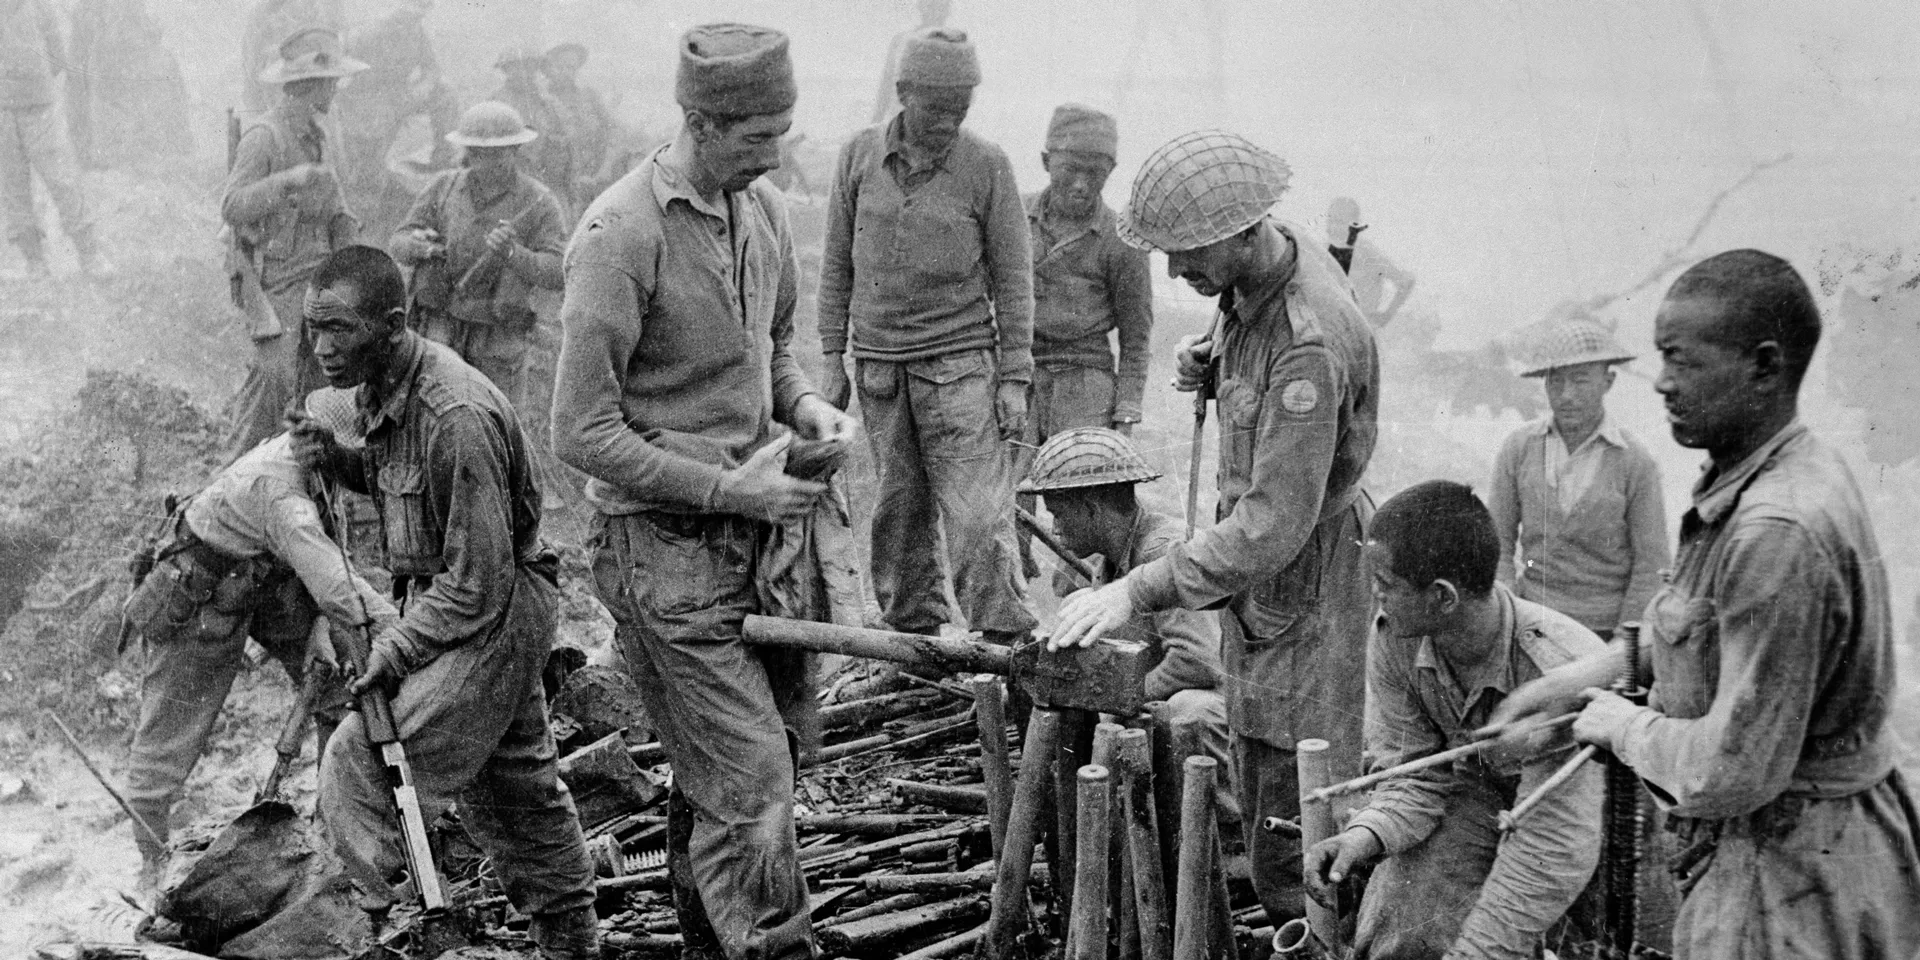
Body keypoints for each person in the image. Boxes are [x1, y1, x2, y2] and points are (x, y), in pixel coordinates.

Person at [1487, 250, 1920, 960]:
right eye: (1662, 358)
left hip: (1789, 870)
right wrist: (1575, 681)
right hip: (1790, 847)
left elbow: (1731, 769)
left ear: (1764, 366)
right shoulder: (1768, 474)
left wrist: (1622, 724)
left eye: (1682, 360)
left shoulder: (1776, 529)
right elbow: (1690, 625)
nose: (1662, 382)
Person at [552, 23, 857, 960]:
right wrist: (729, 489)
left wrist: (806, 408)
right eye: (759, 138)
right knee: (753, 782)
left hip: (753, 546)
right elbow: (581, 433)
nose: (776, 157)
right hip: (661, 556)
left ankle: (707, 943)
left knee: (741, 765)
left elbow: (773, 352)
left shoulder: (760, 210)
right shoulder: (619, 235)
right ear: (700, 122)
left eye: (783, 134)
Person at [1052, 130, 1380, 926]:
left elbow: (1272, 526)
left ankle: (1327, 938)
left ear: (1242, 230)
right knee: (1260, 768)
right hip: (1265, 582)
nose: (1173, 272)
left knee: (1295, 814)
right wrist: (1216, 355)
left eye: (1187, 253)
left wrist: (1138, 589)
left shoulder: (1307, 344)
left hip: (1304, 577)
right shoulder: (1269, 261)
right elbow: (1251, 337)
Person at [291, 246, 598, 960]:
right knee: (514, 788)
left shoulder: (454, 414)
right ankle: (574, 948)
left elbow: (477, 582)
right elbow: (397, 478)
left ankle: (364, 935)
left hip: (493, 610)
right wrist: (336, 458)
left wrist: (395, 648)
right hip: (460, 604)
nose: (323, 347)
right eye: (313, 328)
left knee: (361, 760)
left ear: (393, 324)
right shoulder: (381, 385)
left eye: (339, 329)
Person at [1304, 480, 1603, 959]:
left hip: (1588, 821)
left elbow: (1552, 846)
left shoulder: (1558, 667)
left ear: (1443, 597)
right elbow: (1412, 774)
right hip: (1478, 798)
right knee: (1401, 921)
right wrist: (1363, 837)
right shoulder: (1397, 639)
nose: (1375, 594)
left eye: (1386, 584)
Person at [818, 27, 1037, 648]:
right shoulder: (858, 156)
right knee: (898, 507)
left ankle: (1001, 639)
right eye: (936, 106)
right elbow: (836, 263)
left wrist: (1015, 377)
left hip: (960, 366)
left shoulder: (987, 164)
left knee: (977, 512)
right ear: (903, 91)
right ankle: (913, 637)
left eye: (961, 107)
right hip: (881, 370)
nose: (948, 120)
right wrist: (832, 357)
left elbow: (1014, 278)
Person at [119, 427, 394, 890]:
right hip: (202, 586)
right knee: (168, 734)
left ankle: (333, 824)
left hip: (270, 575)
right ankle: (152, 863)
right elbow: (338, 587)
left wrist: (324, 622)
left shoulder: (317, 470)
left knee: (337, 681)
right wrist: (405, 630)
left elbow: (331, 558)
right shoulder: (282, 493)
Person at [1019, 426, 1237, 829]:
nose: (1054, 527)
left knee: (1188, 712)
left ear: (1092, 508)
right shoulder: (1110, 561)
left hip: (1230, 712)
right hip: (1182, 708)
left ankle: (1227, 837)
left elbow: (1198, 662)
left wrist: (1120, 703)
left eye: (1059, 513)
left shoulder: (1161, 551)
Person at [220, 27, 363, 464]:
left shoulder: (318, 134)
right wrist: (286, 181)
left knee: (325, 384)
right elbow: (232, 206)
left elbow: (336, 206)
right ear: (309, 85)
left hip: (320, 277)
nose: (335, 89)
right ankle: (228, 475)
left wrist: (356, 265)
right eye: (330, 82)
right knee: (273, 382)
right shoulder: (265, 137)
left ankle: (306, 473)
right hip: (277, 283)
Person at [1486, 317, 1667, 641]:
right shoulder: (1519, 448)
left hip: (1604, 631)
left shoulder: (1635, 460)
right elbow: (1497, 543)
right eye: (1555, 382)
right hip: (1532, 623)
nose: (1566, 395)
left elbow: (1651, 564)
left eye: (1580, 381)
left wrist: (1624, 642)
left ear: (1608, 382)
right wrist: (1508, 617)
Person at [388, 101, 565, 401]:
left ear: (515, 150)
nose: (484, 162)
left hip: (498, 338)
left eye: (496, 153)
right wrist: (422, 247)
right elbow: (398, 241)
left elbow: (558, 269)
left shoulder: (539, 202)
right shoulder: (444, 187)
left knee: (497, 416)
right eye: (477, 152)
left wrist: (513, 253)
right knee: (432, 410)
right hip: (439, 329)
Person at [0, 0, 107, 275]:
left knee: (62, 179)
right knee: (13, 188)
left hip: (39, 106)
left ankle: (90, 254)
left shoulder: (38, 6)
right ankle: (34, 262)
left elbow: (57, 57)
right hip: (2, 111)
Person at [338, 0, 459, 191]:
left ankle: (443, 158)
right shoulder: (369, 32)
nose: (415, 19)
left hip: (400, 92)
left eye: (419, 15)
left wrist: (424, 85)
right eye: (410, 14)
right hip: (367, 96)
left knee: (445, 92)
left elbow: (431, 67)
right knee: (368, 166)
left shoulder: (416, 31)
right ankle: (369, 174)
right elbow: (348, 75)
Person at [490, 46, 575, 216]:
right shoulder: (495, 102)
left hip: (547, 179)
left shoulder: (549, 103)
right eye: (516, 67)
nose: (523, 72)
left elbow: (568, 141)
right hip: (507, 182)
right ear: (506, 70)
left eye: (529, 66)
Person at [239, 0, 344, 117]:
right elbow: (254, 67)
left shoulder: (323, 7)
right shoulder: (263, 13)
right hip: (280, 89)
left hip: (310, 94)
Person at [541, 43, 615, 203]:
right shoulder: (541, 99)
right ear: (549, 69)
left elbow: (611, 131)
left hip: (591, 179)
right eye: (560, 67)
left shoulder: (589, 96)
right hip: (556, 183)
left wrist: (602, 171)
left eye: (571, 67)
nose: (566, 72)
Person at [1325, 197, 1414, 327]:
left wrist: (1387, 316)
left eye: (1339, 222)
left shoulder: (1366, 254)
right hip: (1333, 329)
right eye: (1330, 220)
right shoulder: (1323, 252)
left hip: (1363, 329)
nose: (1332, 226)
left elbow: (1406, 282)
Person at [869, 0, 951, 126]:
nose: (934, 10)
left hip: (939, 125)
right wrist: (875, 121)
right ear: (921, 5)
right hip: (901, 123)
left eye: (940, 5)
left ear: (947, 8)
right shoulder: (901, 41)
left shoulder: (955, 46)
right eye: (930, 4)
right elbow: (886, 84)